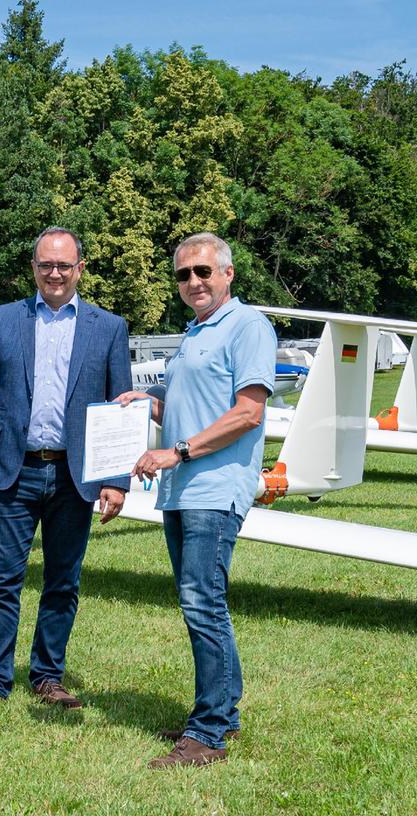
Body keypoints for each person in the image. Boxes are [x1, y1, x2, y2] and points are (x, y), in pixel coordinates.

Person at [0, 226, 132, 717]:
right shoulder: (3, 320)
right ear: (33, 268)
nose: (54, 273)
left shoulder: (109, 328)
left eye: (64, 265)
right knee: (2, 582)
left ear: (79, 268)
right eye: (45, 265)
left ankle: (47, 676)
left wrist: (116, 481)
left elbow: (121, 409)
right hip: (13, 472)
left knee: (62, 582)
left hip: (75, 477)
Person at [118, 232, 276, 768]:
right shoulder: (194, 333)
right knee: (199, 605)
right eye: (184, 275)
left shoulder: (248, 325)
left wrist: (176, 452)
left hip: (213, 488)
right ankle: (218, 714)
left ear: (228, 274)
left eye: (203, 272)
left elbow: (248, 413)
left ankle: (207, 733)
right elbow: (196, 408)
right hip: (183, 490)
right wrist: (151, 405)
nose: (193, 282)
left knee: (203, 603)